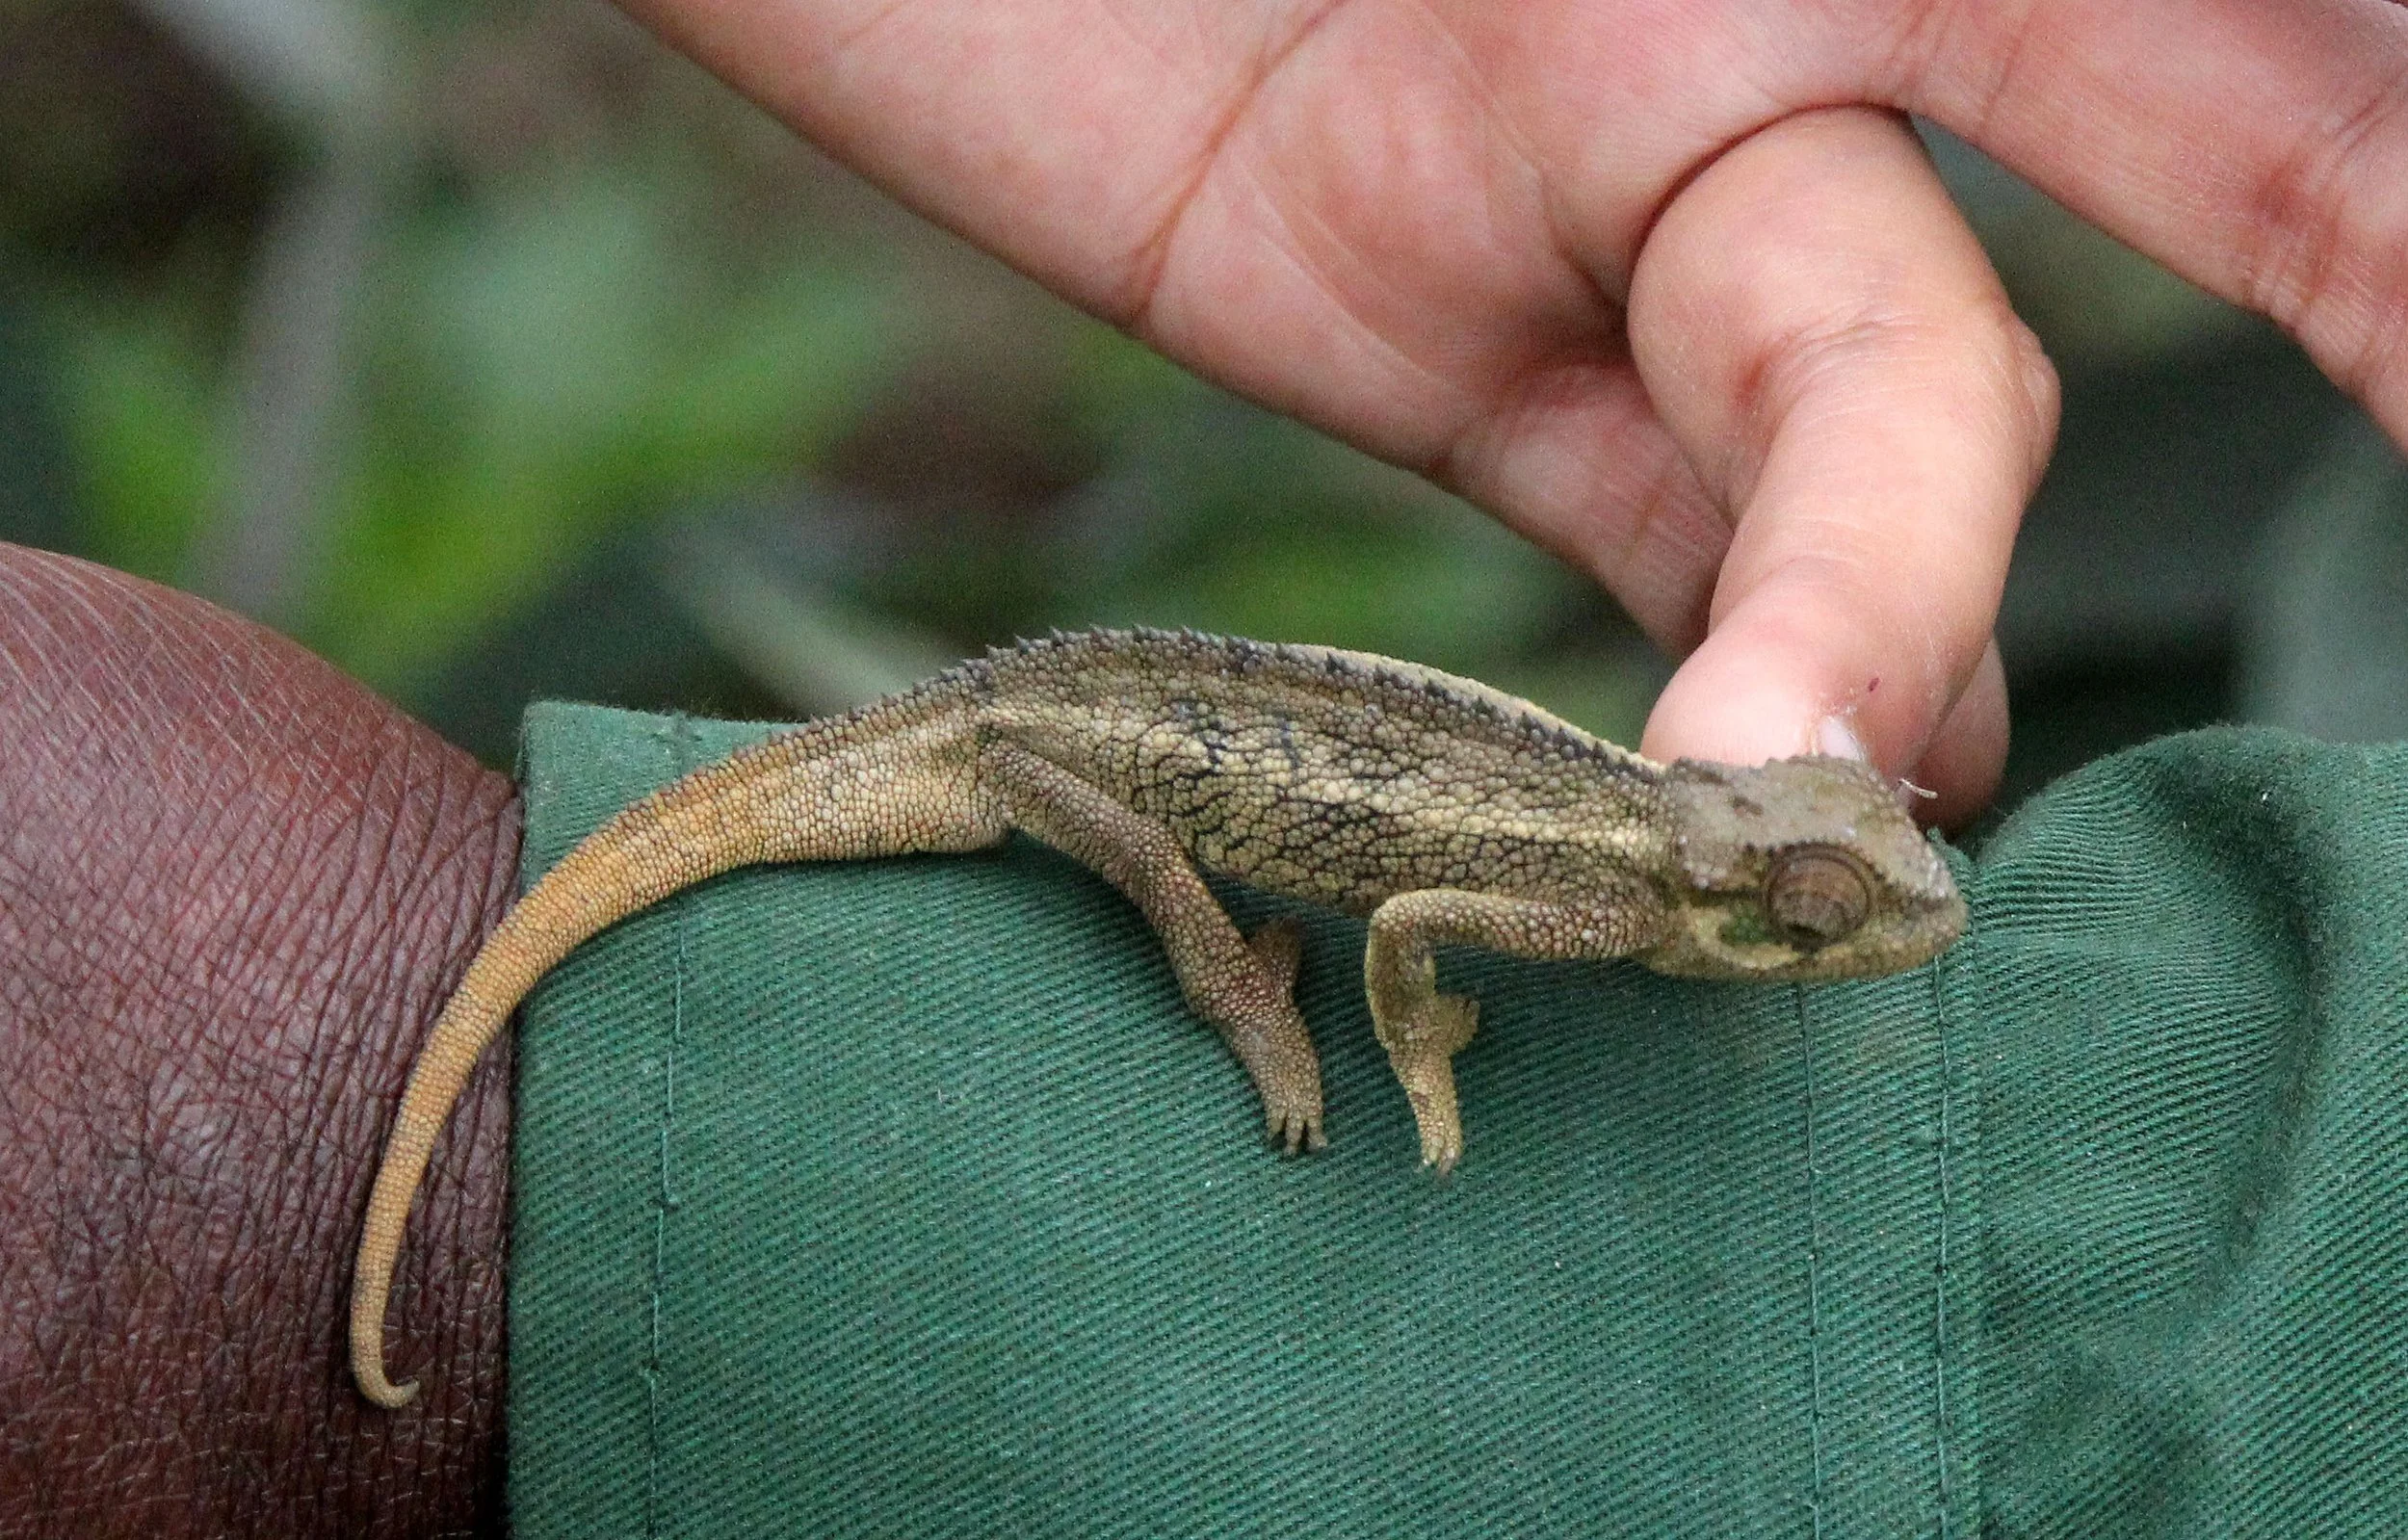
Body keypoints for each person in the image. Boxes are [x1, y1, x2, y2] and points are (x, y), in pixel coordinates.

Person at [4, 2, 2405, 1532]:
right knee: (1202, 908)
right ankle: (1216, 981)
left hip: (1116, 715)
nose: (1871, 913)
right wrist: (1343, 1030)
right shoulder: (1596, 886)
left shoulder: (1636, 860)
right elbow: (1433, 930)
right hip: (1040, 745)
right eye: (1826, 898)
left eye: (1842, 887)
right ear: (1721, 891)